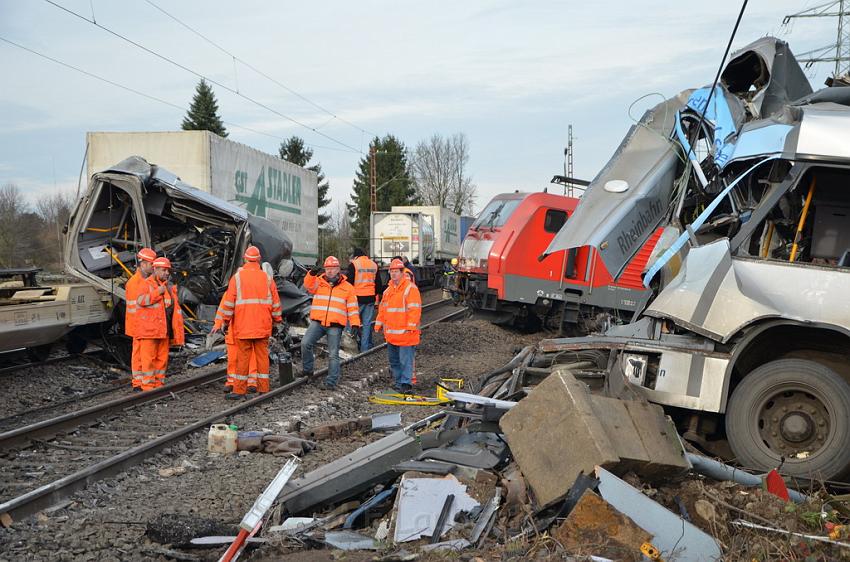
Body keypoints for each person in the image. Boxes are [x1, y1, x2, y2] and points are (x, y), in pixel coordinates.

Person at [212, 246, 282, 399]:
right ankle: (264, 389)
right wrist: (276, 322)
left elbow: (229, 304)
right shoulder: (267, 279)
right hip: (263, 326)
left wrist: (224, 321)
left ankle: (239, 391)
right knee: (262, 358)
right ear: (258, 260)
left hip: (243, 327)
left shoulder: (237, 278)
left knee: (242, 358)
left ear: (245, 259)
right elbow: (276, 305)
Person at [302, 256, 361, 390]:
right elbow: (308, 286)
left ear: (338, 269)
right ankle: (307, 370)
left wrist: (355, 324)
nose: (329, 271)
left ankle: (331, 382)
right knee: (305, 343)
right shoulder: (318, 282)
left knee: (333, 354)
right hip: (318, 322)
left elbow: (352, 308)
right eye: (327, 268)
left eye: (332, 269)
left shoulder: (348, 288)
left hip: (335, 325)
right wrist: (311, 274)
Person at [135, 257, 184, 391]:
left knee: (161, 360)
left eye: (167, 270)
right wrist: (158, 293)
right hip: (149, 331)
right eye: (163, 270)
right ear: (155, 269)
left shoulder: (168, 287)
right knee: (148, 361)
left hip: (163, 331)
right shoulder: (146, 284)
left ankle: (158, 386)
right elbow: (141, 300)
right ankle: (148, 387)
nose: (166, 273)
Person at [375, 258, 422, 393]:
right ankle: (398, 382)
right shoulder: (388, 291)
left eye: (396, 271)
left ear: (402, 272)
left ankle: (405, 384)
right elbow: (383, 310)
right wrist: (378, 324)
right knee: (395, 361)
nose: (394, 274)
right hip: (392, 334)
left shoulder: (410, 289)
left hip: (406, 334)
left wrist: (411, 327)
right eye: (392, 271)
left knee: (405, 361)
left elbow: (415, 309)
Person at [125, 247, 157, 391]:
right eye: (151, 264)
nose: (153, 267)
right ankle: (138, 383)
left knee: (143, 354)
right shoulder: (135, 283)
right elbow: (138, 306)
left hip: (143, 325)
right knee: (139, 355)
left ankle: (142, 382)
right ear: (143, 263)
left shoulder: (146, 281)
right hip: (138, 325)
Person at [345, 248, 384, 352]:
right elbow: (379, 286)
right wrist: (372, 294)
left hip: (356, 300)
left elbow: (348, 284)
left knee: (352, 324)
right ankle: (365, 349)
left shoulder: (354, 264)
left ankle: (350, 349)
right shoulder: (373, 265)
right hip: (370, 299)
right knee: (367, 325)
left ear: (356, 256)